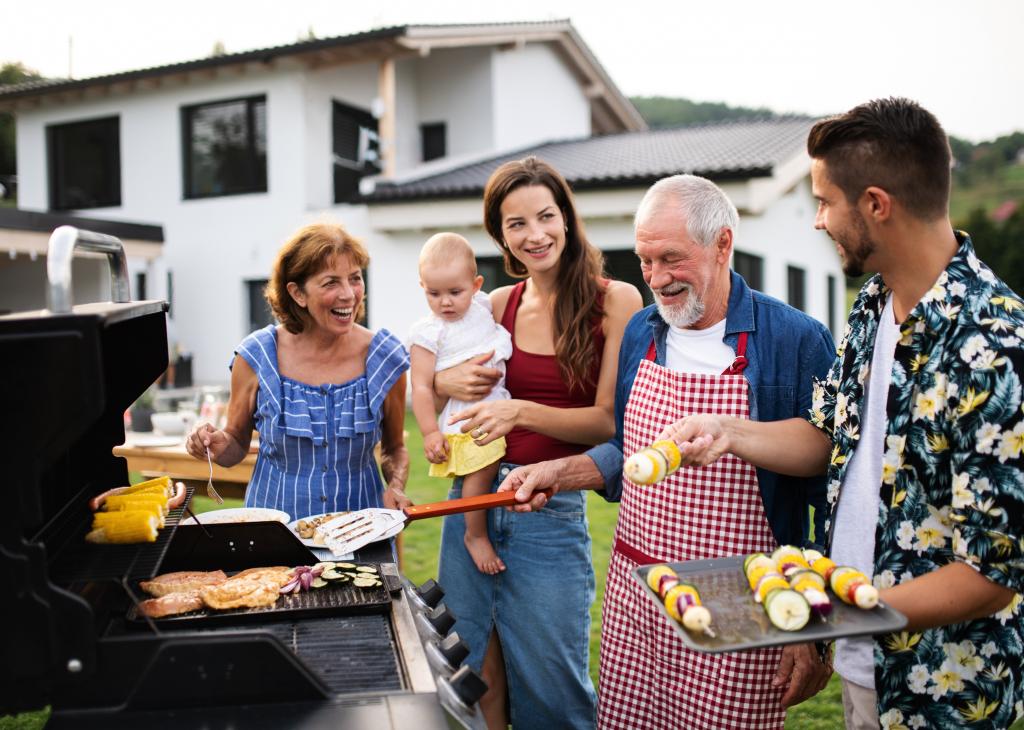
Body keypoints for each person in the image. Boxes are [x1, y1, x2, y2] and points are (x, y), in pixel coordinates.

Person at [662, 98, 1024, 729]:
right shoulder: (871, 305)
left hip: (944, 689)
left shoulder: (996, 344)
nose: (818, 220)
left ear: (876, 205)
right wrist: (728, 431)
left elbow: (992, 572)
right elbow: (826, 437)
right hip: (863, 662)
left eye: (825, 202)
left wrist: (843, 607)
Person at [498, 173, 837, 729]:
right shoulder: (640, 333)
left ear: (722, 243)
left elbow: (829, 481)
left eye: (671, 259)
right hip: (640, 598)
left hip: (741, 602)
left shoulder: (795, 339)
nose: (655, 278)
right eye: (644, 260)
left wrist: (813, 626)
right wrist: (560, 472)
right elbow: (628, 450)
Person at [432, 156, 643, 729]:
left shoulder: (617, 300)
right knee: (469, 676)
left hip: (549, 511)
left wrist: (521, 410)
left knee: (555, 691)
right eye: (516, 224)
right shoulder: (495, 305)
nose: (534, 234)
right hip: (472, 504)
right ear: (500, 235)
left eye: (545, 216)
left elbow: (606, 422)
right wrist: (439, 381)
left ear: (567, 218)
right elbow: (436, 366)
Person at [185, 222, 411, 520]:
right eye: (331, 282)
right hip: (274, 535)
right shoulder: (256, 356)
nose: (349, 294)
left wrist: (395, 485)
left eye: (355, 278)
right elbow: (237, 444)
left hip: (361, 532)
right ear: (297, 293)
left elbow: (394, 448)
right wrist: (215, 445)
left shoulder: (385, 357)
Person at [408, 232, 513, 575]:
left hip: (498, 403)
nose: (445, 303)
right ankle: (474, 534)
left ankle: (481, 529)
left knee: (491, 468)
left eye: (455, 292)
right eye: (433, 293)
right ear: (422, 286)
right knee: (480, 469)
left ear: (476, 284)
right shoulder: (428, 332)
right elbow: (421, 387)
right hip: (465, 416)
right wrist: (428, 433)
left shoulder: (483, 305)